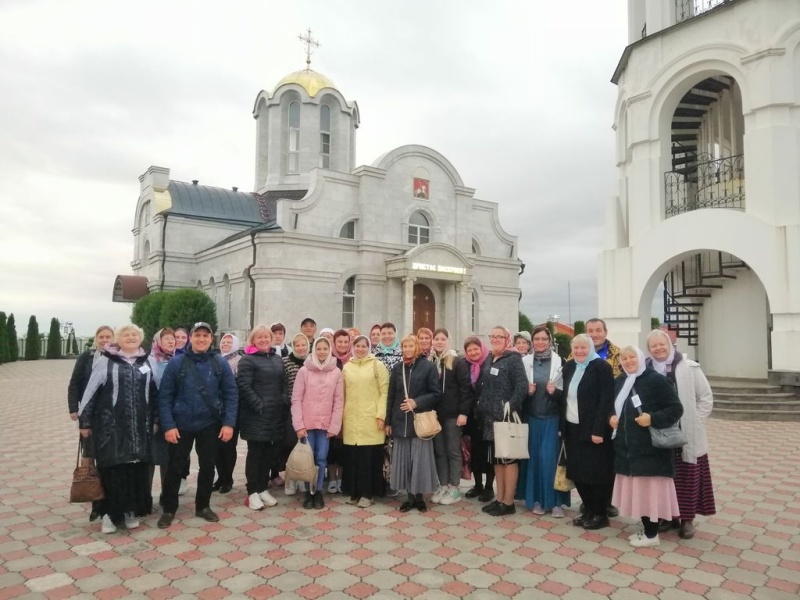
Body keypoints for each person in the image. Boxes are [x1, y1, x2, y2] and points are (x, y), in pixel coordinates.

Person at [78, 324, 158, 534]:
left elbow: (157, 393)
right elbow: (90, 393)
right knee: (113, 470)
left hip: (140, 428)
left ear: (140, 338)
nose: (130, 337)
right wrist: (84, 422)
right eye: (126, 334)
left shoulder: (149, 361)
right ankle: (109, 514)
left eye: (134, 334)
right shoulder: (106, 362)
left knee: (136, 469)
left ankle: (130, 510)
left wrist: (157, 419)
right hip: (111, 428)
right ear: (118, 339)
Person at [157, 322, 238, 528]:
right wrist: (168, 425)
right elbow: (165, 396)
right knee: (175, 467)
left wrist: (228, 423)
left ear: (211, 339)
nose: (201, 339)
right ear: (190, 338)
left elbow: (231, 394)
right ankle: (169, 508)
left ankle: (203, 506)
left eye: (205, 336)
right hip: (180, 424)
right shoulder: (177, 363)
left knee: (207, 467)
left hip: (209, 424)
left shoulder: (219, 363)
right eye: (197, 335)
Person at [610, 345, 683, 547]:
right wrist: (612, 418)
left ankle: (652, 535)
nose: (628, 361)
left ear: (640, 358)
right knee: (641, 493)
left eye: (632, 357)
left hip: (651, 450)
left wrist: (652, 418)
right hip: (628, 450)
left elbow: (676, 408)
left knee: (650, 493)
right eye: (624, 358)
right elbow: (612, 406)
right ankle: (647, 530)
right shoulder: (621, 381)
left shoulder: (655, 380)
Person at [647, 329, 716, 539]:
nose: (658, 348)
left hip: (686, 431)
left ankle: (687, 520)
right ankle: (669, 517)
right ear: (649, 349)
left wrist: (695, 421)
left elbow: (705, 398)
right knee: (664, 477)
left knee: (687, 476)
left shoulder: (689, 368)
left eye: (662, 344)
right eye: (653, 345)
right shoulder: (647, 370)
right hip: (659, 431)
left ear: (669, 344)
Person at [561, 333, 615, 530]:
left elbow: (606, 400)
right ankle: (589, 511)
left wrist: (599, 429)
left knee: (597, 474)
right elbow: (565, 397)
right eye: (576, 348)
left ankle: (600, 514)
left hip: (594, 431)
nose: (579, 351)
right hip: (573, 428)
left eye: (583, 347)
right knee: (578, 472)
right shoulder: (569, 367)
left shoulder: (602, 367)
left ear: (590, 348)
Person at [476, 327, 529, 517]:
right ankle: (499, 499)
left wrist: (511, 405)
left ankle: (508, 502)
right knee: (497, 461)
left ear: (507, 338)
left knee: (509, 459)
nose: (495, 339)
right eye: (492, 336)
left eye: (499, 336)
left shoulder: (513, 359)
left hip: (506, 418)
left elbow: (522, 385)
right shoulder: (490, 358)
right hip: (490, 418)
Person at [517, 326, 569, 517]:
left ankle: (555, 502)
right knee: (534, 460)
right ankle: (536, 500)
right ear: (532, 342)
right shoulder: (524, 362)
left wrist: (555, 392)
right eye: (536, 339)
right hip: (531, 418)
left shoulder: (560, 362)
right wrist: (526, 393)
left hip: (552, 419)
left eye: (543, 339)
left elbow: (567, 396)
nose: (540, 342)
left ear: (550, 341)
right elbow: (517, 391)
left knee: (550, 460)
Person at [387, 334, 441, 512]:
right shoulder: (397, 368)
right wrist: (389, 421)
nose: (407, 349)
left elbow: (436, 394)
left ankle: (419, 497)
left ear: (417, 347)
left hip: (419, 422)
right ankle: (408, 497)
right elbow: (391, 396)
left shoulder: (428, 367)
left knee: (419, 460)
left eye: (411, 346)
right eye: (405, 346)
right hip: (400, 421)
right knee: (403, 460)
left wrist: (416, 402)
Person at [237, 325, 288, 511]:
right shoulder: (247, 360)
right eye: (260, 337)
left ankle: (262, 488)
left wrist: (282, 400)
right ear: (253, 339)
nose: (264, 340)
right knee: (255, 454)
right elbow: (243, 386)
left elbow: (283, 383)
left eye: (267, 337)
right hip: (256, 416)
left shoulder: (276, 358)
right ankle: (252, 492)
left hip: (275, 415)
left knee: (268, 454)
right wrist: (259, 405)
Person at [68, 324, 115, 521]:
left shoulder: (117, 357)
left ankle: (106, 500)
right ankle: (94, 498)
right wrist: (73, 408)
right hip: (89, 416)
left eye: (108, 337)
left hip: (110, 418)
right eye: (101, 337)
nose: (105, 340)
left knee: (108, 461)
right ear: (96, 339)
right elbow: (75, 383)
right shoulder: (86, 358)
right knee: (91, 459)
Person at [291, 337, 344, 509]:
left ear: (329, 351)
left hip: (325, 426)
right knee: (308, 459)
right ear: (314, 350)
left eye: (325, 349)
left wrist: (334, 426)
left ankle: (318, 491)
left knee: (321, 459)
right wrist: (299, 425)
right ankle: (308, 492)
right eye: (318, 348)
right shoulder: (304, 371)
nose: (321, 352)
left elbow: (338, 401)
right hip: (306, 425)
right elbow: (296, 399)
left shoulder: (336, 372)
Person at [341, 335, 390, 507]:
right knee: (353, 458)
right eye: (357, 346)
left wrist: (381, 416)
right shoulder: (347, 367)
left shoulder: (377, 365)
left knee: (368, 459)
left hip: (371, 420)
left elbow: (384, 392)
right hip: (351, 420)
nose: (360, 349)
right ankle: (354, 492)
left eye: (364, 346)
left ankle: (368, 494)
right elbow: (343, 394)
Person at [429, 328, 474, 505]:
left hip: (453, 415)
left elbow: (465, 389)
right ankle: (444, 484)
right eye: (436, 339)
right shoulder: (430, 361)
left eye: (442, 339)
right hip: (435, 415)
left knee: (453, 450)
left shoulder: (456, 362)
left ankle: (455, 487)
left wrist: (463, 412)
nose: (439, 342)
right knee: (439, 451)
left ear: (448, 340)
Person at [462, 336, 495, 503]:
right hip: (472, 416)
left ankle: (489, 487)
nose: (473, 352)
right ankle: (478, 485)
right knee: (474, 450)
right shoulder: (465, 365)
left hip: (488, 416)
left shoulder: (490, 363)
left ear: (481, 348)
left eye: (476, 349)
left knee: (489, 451)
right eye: (470, 350)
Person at [147, 328, 176, 507]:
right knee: (149, 459)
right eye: (166, 339)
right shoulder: (149, 361)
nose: (171, 342)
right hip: (152, 417)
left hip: (172, 418)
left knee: (168, 460)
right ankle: (145, 498)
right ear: (158, 341)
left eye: (172, 339)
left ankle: (167, 497)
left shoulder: (177, 360)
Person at [212, 333, 243, 494]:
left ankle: (228, 478)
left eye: (230, 341)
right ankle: (220, 477)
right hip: (216, 410)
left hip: (232, 409)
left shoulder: (239, 360)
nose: (226, 343)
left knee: (229, 446)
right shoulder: (215, 358)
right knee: (217, 446)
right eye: (224, 340)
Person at [282, 333, 310, 496]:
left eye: (303, 345)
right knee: (290, 445)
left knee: (305, 447)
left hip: (309, 410)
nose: (300, 348)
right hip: (290, 409)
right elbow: (282, 384)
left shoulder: (311, 362)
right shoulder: (285, 362)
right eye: (297, 345)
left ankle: (302, 478)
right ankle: (290, 479)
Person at [327, 329, 353, 492]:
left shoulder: (354, 360)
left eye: (345, 342)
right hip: (331, 408)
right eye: (339, 342)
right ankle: (331, 479)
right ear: (334, 344)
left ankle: (342, 479)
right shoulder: (330, 361)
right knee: (331, 445)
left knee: (344, 446)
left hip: (349, 408)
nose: (343, 345)